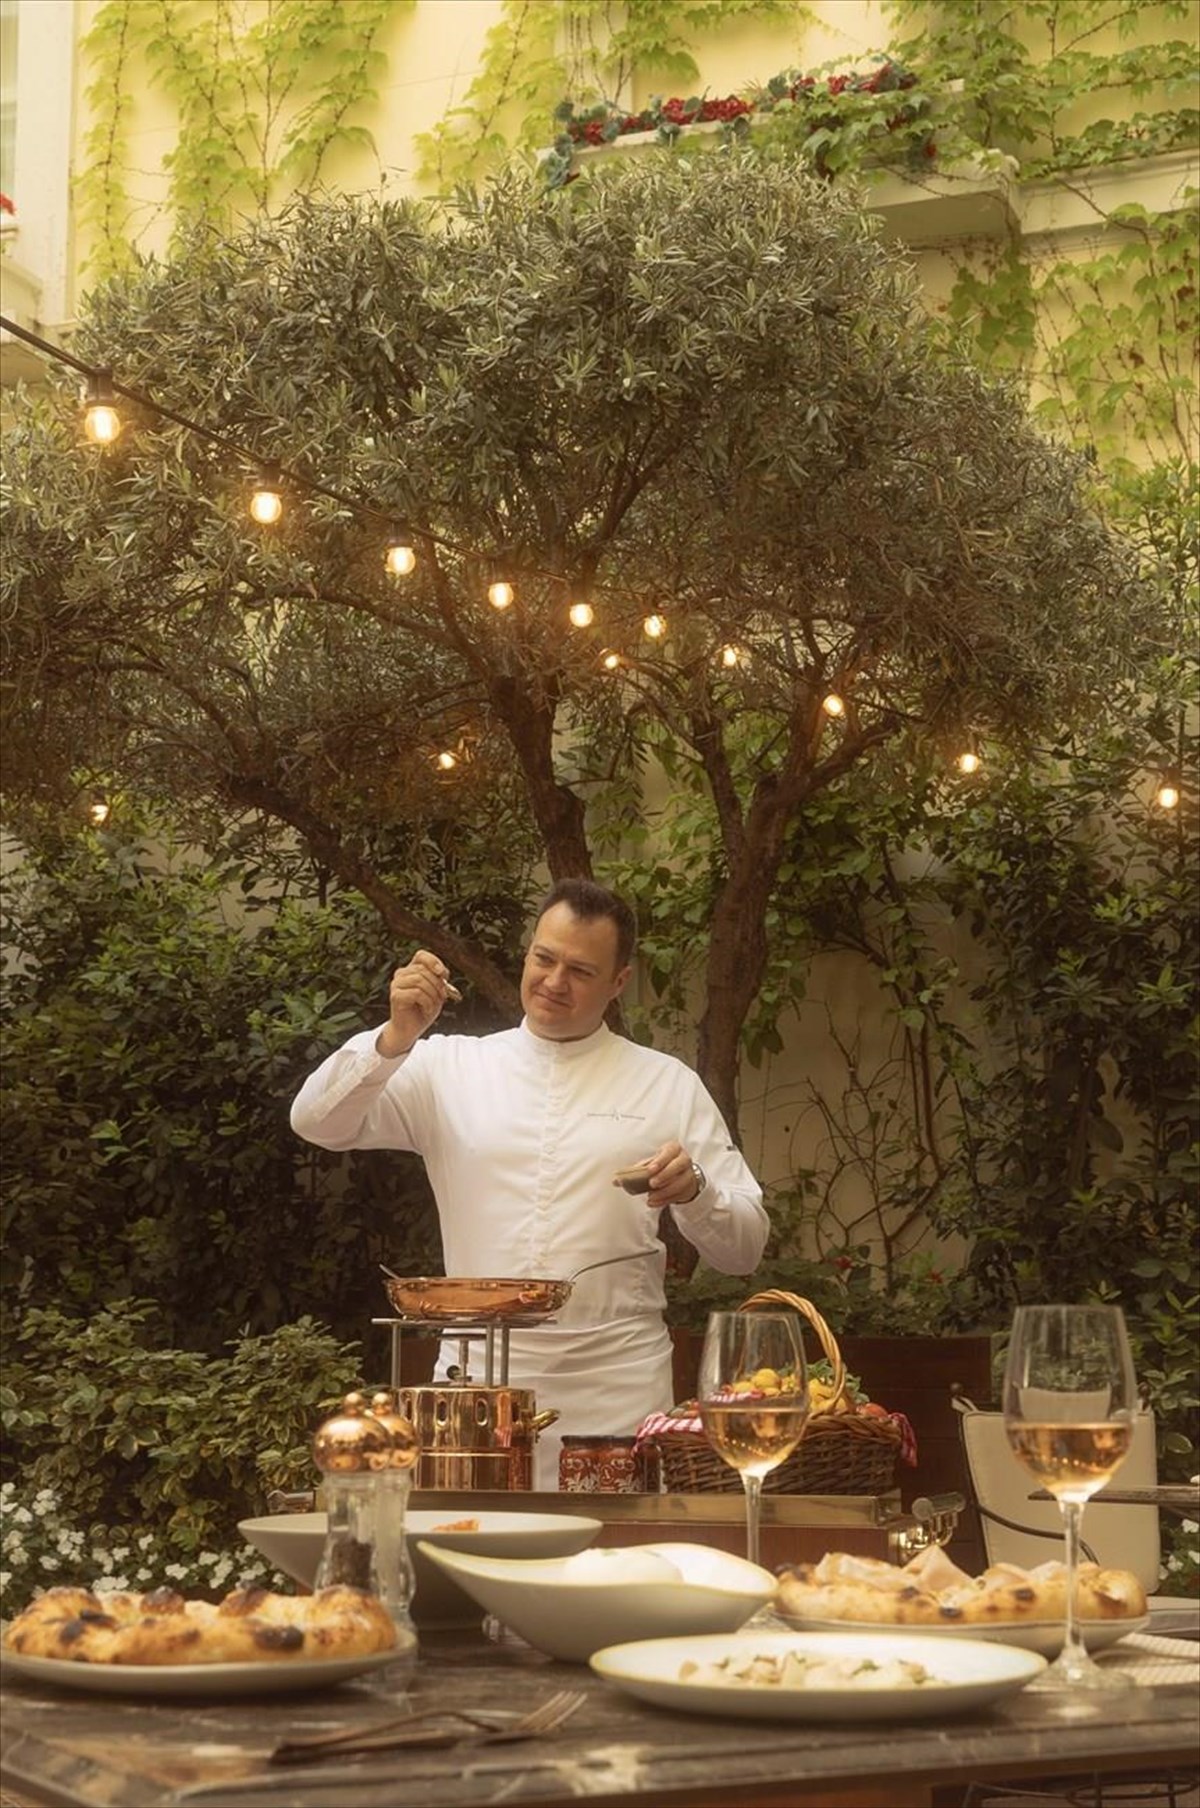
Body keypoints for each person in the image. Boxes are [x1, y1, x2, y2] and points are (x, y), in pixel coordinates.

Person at [291, 878, 769, 1487]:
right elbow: (316, 1121)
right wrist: (394, 1039)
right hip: (473, 1385)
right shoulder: (449, 1066)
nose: (554, 981)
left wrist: (697, 1191)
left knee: (615, 1547)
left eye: (581, 971)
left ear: (618, 982)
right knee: (467, 1542)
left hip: (616, 1387)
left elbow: (744, 1249)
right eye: (544, 958)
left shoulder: (666, 1083)